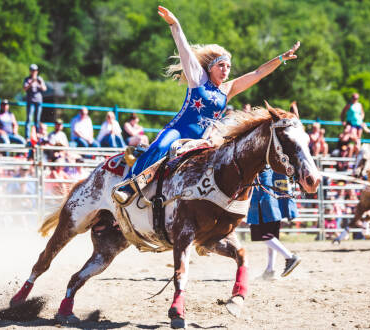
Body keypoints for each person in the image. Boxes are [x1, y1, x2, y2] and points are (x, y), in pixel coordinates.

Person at [114, 5, 300, 203]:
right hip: (179, 131)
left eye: (228, 67)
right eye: (221, 65)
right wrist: (174, 24)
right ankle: (127, 186)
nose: (225, 70)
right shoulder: (198, 79)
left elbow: (257, 73)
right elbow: (184, 50)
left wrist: (280, 59)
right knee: (160, 145)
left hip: (204, 139)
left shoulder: (228, 89)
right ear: (210, 67)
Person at [247, 168, 300, 280]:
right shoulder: (275, 164)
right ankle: (270, 270)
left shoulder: (261, 163)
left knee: (264, 235)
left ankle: (290, 257)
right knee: (271, 237)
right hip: (275, 203)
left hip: (263, 201)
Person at [23, 63, 47, 140]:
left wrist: (39, 83)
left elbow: (44, 89)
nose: (34, 72)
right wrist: (31, 82)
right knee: (29, 119)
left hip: (38, 101)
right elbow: (25, 89)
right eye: (32, 70)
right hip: (30, 101)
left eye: (35, 70)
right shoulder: (27, 79)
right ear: (30, 71)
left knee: (37, 120)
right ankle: (27, 136)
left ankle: (36, 135)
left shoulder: (40, 79)